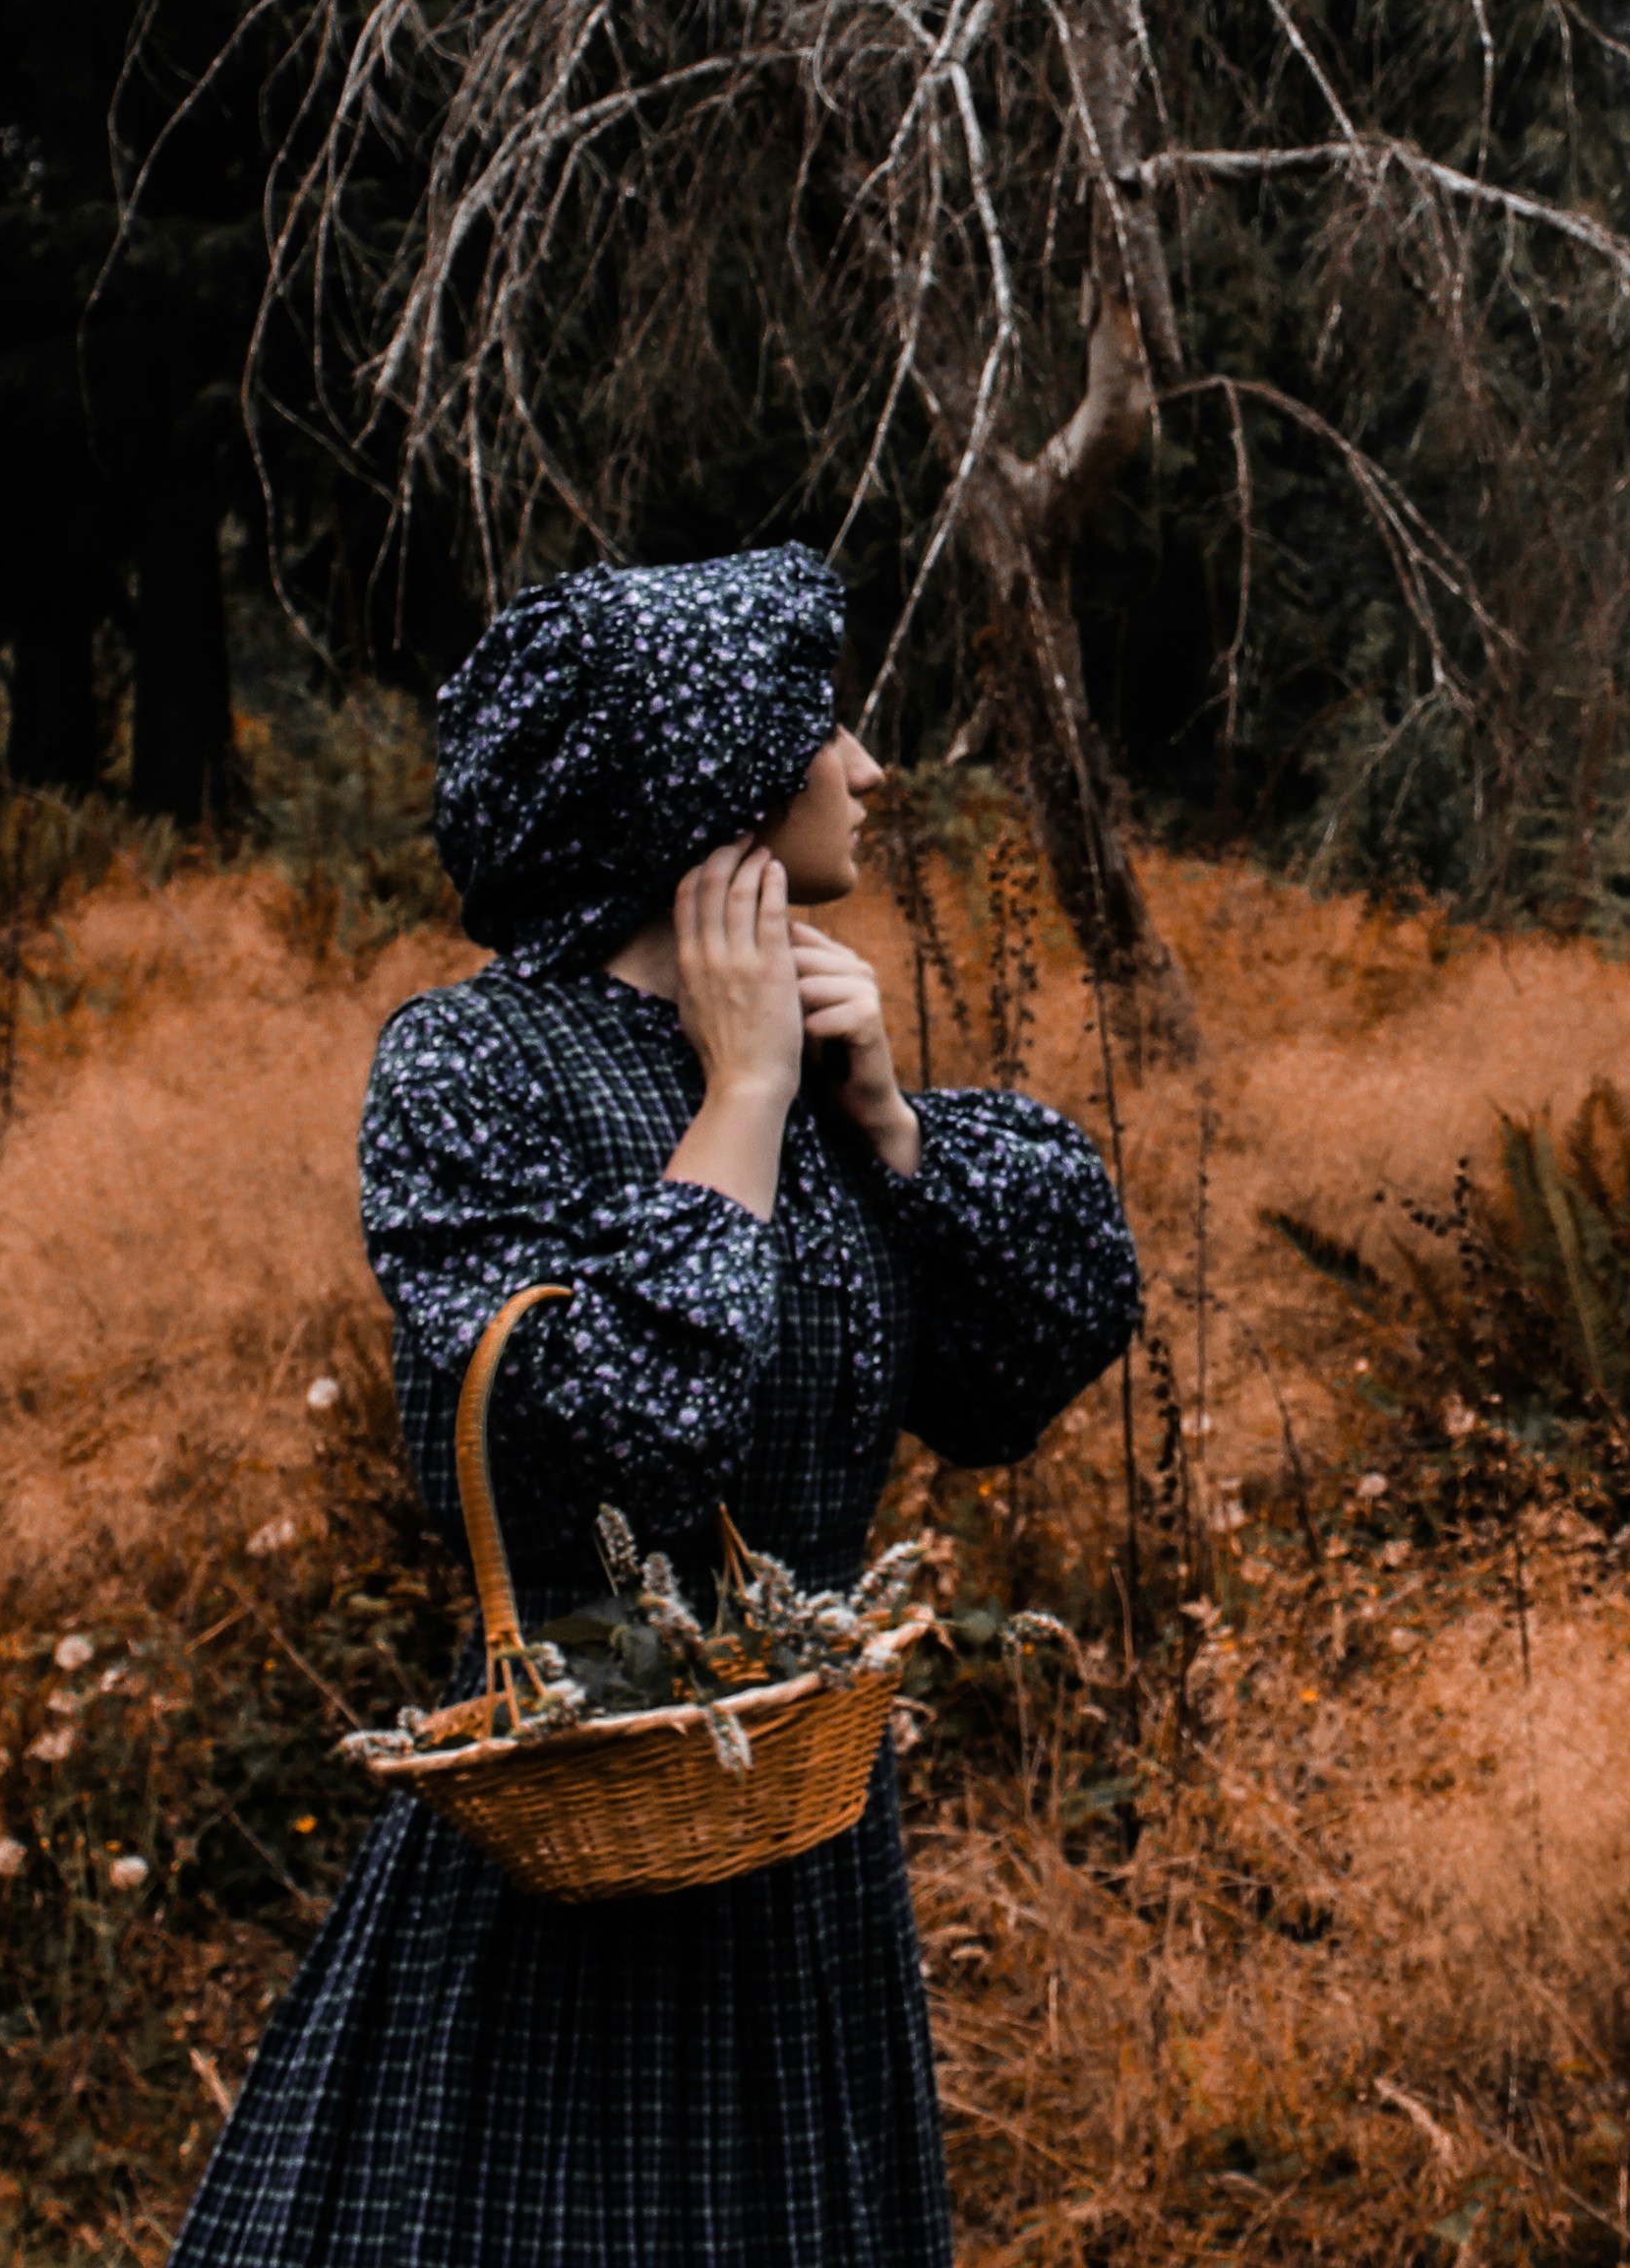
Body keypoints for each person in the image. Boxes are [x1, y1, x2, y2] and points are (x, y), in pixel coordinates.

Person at [172, 546, 1141, 2268]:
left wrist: (887, 1120)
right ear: (715, 774)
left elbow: (1016, 1380)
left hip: (805, 1857)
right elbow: (601, 1444)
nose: (867, 768)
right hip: (578, 1856)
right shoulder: (480, 1065)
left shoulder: (835, 1060)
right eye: (821, 726)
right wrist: (744, 1097)